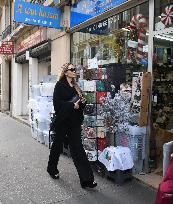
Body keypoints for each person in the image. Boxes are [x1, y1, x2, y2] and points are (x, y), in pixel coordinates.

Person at [47, 63, 97, 189]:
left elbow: (79, 104)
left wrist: (82, 103)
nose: (74, 71)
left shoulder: (76, 86)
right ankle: (51, 168)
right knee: (57, 146)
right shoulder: (59, 86)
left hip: (74, 122)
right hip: (63, 121)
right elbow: (57, 105)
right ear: (65, 72)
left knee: (78, 149)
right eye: (72, 69)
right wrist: (71, 105)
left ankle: (87, 179)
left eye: (75, 69)